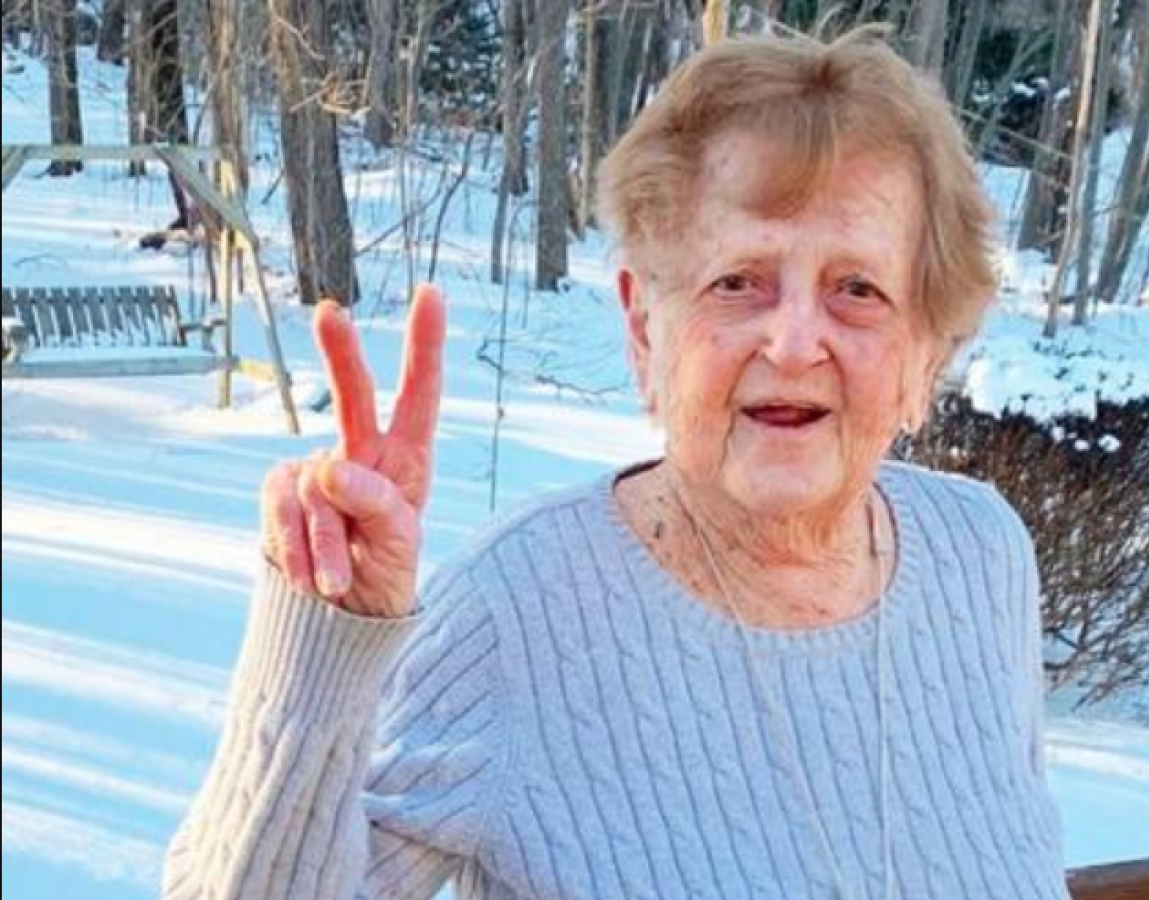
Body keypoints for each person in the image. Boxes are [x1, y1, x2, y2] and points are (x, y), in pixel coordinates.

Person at [163, 27, 1072, 900]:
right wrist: (324, 642)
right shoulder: (518, 612)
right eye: (738, 281)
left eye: (857, 289)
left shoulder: (979, 555)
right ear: (644, 326)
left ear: (925, 352)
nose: (795, 342)